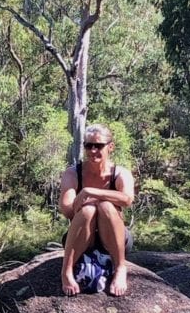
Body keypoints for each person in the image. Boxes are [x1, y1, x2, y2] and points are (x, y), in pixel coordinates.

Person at [58, 124, 135, 296]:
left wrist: (90, 192)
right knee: (88, 211)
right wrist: (88, 203)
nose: (93, 151)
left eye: (98, 146)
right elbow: (68, 211)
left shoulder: (120, 173)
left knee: (106, 206)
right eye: (88, 145)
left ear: (110, 147)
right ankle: (66, 271)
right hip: (82, 238)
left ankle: (120, 267)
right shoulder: (73, 174)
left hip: (115, 238)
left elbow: (127, 199)